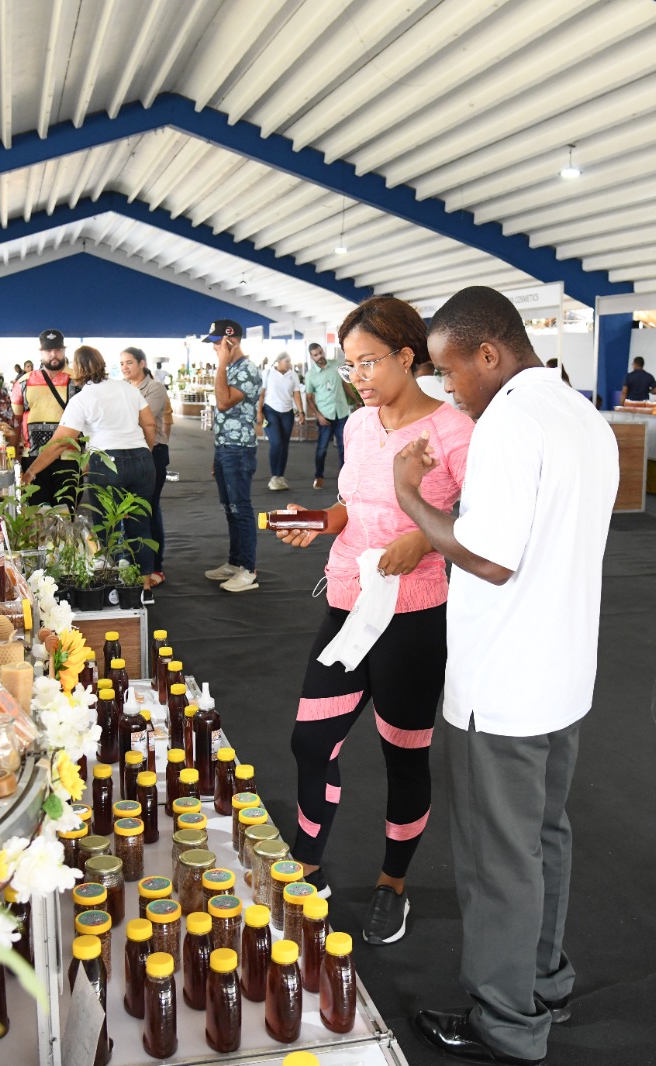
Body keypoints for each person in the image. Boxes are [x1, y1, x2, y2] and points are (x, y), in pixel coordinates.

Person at [396, 286, 617, 1065]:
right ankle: (542, 981)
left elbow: (489, 557)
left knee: (498, 861)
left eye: (451, 370)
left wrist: (410, 497)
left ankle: (505, 1021)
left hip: (503, 685)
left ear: (488, 354)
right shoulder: (581, 415)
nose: (449, 388)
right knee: (544, 839)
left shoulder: (509, 424)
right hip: (562, 675)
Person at [275, 297, 475, 942]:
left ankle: (393, 884)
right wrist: (316, 522)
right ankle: (309, 867)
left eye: (368, 362)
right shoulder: (359, 425)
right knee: (310, 743)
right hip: (347, 603)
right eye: (349, 364)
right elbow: (350, 506)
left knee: (403, 756)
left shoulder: (455, 432)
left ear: (407, 357)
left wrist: (423, 539)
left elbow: (483, 524)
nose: (356, 377)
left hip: (413, 616)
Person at [23, 346, 158, 579]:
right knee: (140, 525)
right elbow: (149, 424)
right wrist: (146, 451)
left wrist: (31, 471)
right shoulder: (127, 388)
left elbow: (60, 443)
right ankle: (144, 585)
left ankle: (113, 585)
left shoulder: (82, 399)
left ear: (77, 369)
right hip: (142, 460)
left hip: (107, 463)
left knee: (107, 529)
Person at [204, 319, 263, 593]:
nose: (215, 348)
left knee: (240, 509)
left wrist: (221, 364)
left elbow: (224, 402)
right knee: (230, 509)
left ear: (233, 341)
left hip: (238, 449)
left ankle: (248, 569)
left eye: (218, 343)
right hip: (225, 447)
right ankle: (236, 562)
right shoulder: (232, 368)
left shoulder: (247, 369)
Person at [122, 346, 173, 585]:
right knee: (129, 511)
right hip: (128, 453)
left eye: (129, 362)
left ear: (142, 363)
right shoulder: (122, 388)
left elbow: (144, 419)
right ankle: (135, 565)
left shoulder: (155, 388)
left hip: (153, 453)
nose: (125, 367)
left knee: (149, 509)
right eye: (122, 363)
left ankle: (155, 568)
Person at [26, 330, 77, 504]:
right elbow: (17, 422)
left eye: (58, 349)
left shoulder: (79, 380)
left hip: (70, 459)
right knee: (36, 512)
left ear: (64, 351)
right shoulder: (25, 382)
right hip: (34, 458)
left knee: (67, 512)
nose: (53, 354)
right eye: (48, 350)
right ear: (41, 353)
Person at [302, 341, 353, 489]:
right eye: (315, 355)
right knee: (322, 449)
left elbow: (345, 384)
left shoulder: (336, 365)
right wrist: (318, 415)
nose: (319, 356)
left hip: (341, 412)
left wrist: (357, 400)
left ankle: (344, 478)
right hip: (325, 416)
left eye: (320, 352)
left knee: (344, 448)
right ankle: (319, 476)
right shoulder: (310, 375)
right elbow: (309, 398)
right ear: (311, 357)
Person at [260, 351, 304, 491]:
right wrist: (259, 412)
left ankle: (280, 476)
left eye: (290, 361)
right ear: (279, 361)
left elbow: (296, 394)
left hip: (287, 412)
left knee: (284, 445)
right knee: (276, 443)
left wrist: (301, 412)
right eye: (287, 361)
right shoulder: (268, 373)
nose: (289, 364)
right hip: (270, 410)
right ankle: (274, 476)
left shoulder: (293, 375)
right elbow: (261, 393)